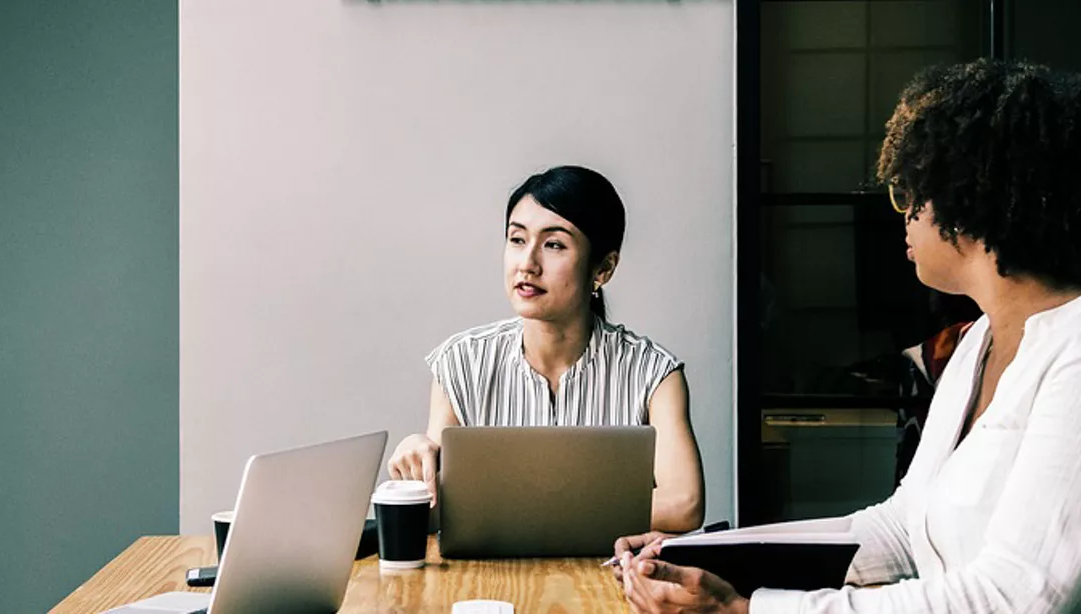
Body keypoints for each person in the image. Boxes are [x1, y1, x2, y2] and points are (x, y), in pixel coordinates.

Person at [617, 59, 1081, 613]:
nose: (903, 217)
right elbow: (898, 530)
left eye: (909, 194)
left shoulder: (1072, 356)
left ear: (969, 197)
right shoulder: (977, 344)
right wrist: (700, 552)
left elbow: (1015, 599)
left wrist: (743, 609)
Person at [388, 165, 705, 533]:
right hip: (489, 586)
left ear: (603, 269)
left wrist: (516, 508)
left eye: (554, 244)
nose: (527, 264)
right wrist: (415, 456)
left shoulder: (653, 373)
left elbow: (684, 504)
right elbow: (439, 510)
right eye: (517, 240)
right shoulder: (460, 363)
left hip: (608, 582)